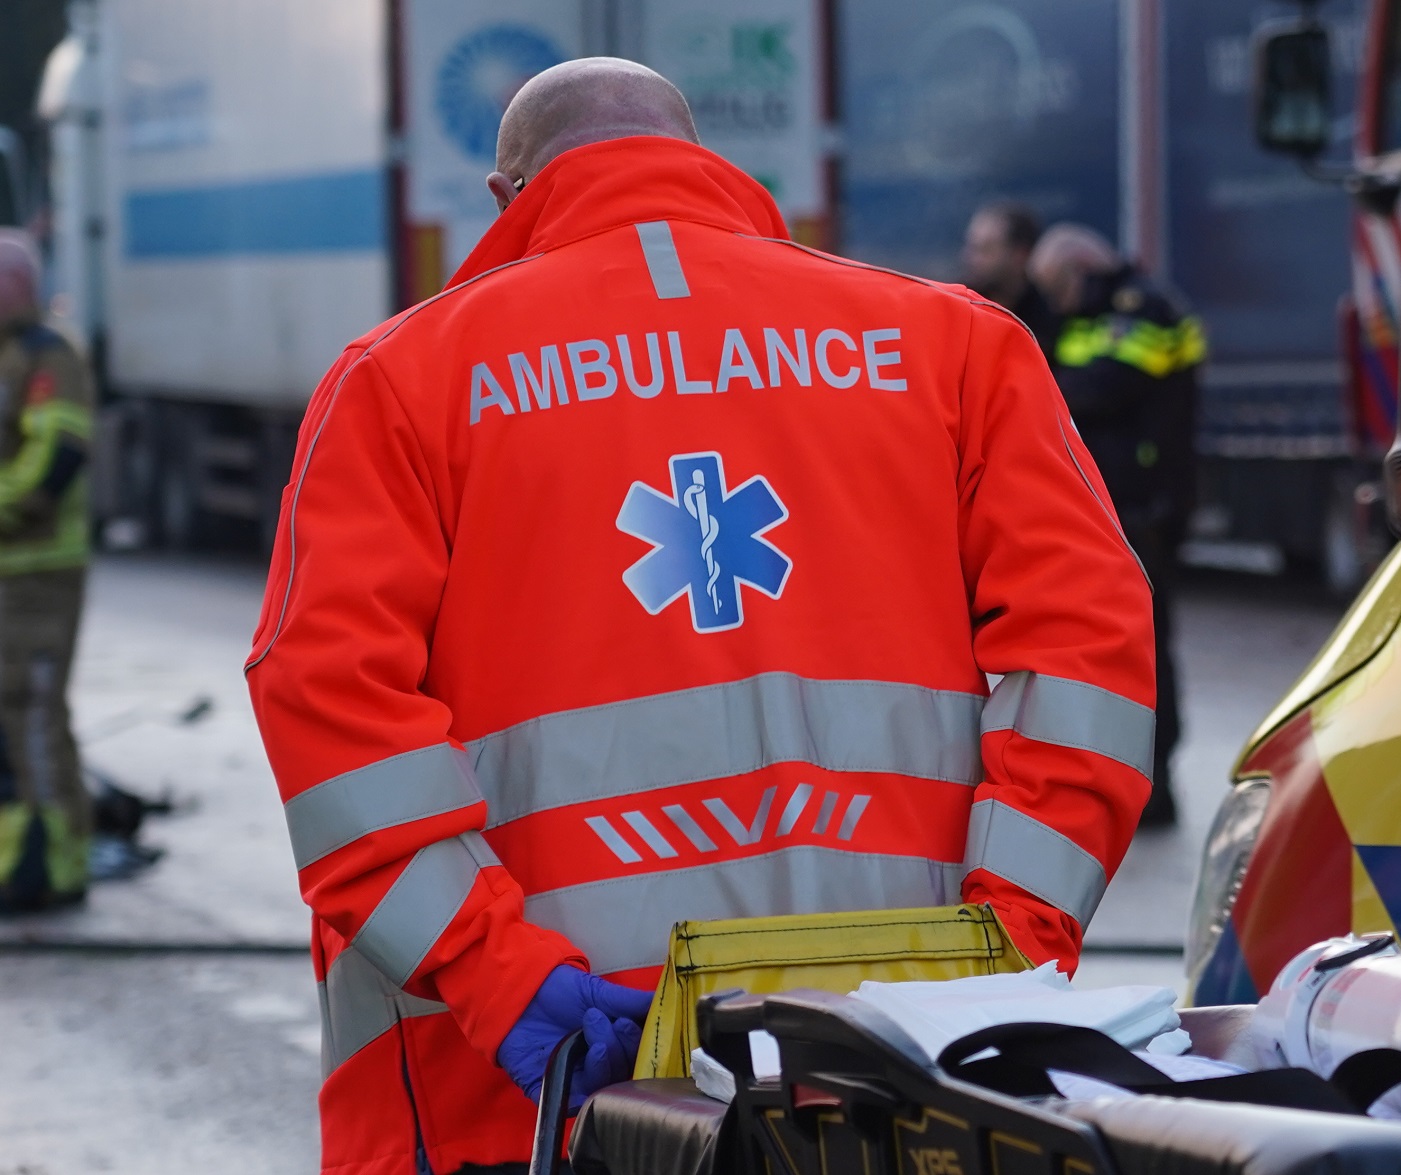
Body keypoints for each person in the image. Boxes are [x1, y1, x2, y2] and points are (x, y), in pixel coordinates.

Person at [246, 59, 1154, 1175]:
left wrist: (498, 973)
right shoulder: (954, 347)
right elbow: (1090, 655)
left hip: (543, 1084)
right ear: (709, 166)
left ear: (506, 194)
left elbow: (327, 709)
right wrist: (1014, 939)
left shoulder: (402, 382)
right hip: (888, 1077)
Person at [1029, 224, 1203, 829]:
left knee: (1147, 651)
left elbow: (1101, 389)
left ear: (1081, 271)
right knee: (1110, 649)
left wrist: (1035, 389)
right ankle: (1122, 781)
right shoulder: (1087, 316)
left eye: (1057, 288)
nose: (1057, 303)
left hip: (1146, 512)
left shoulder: (1144, 310)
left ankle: (1156, 789)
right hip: (1114, 512)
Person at [0, 230, 93, 914]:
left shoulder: (47, 356)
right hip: (14, 570)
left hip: (38, 572)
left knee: (32, 717)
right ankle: (26, 856)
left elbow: (54, 459)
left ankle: (51, 866)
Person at [961, 201, 1060, 353]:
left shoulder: (1052, 315)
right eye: (972, 248)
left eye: (986, 250)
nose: (972, 259)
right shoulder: (960, 308)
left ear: (1021, 254)